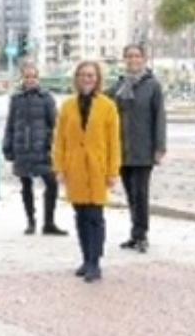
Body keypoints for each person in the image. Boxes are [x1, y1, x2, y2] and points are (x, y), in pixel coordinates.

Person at [53, 61, 121, 283]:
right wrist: (60, 168)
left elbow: (114, 142)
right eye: (82, 75)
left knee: (95, 216)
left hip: (97, 168)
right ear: (76, 78)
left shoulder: (108, 106)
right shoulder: (67, 106)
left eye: (91, 75)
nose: (87, 79)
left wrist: (113, 171)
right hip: (75, 169)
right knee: (81, 215)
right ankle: (85, 258)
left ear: (98, 78)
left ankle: (95, 262)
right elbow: (59, 140)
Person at [108, 44, 166, 253]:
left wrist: (159, 147)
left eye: (137, 56)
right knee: (130, 193)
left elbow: (159, 116)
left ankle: (142, 235)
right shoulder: (118, 87)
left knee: (140, 193)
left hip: (143, 149)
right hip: (122, 150)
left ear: (144, 59)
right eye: (129, 56)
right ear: (125, 59)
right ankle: (135, 233)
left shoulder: (152, 86)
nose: (133, 60)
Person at [2, 62, 67, 236]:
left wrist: (54, 145)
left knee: (51, 184)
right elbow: (10, 124)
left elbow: (56, 124)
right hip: (22, 148)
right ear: (22, 78)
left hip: (42, 149)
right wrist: (7, 147)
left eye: (33, 76)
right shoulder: (16, 99)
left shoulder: (46, 98)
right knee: (26, 186)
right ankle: (30, 221)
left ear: (38, 79)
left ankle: (49, 222)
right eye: (27, 76)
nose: (30, 80)